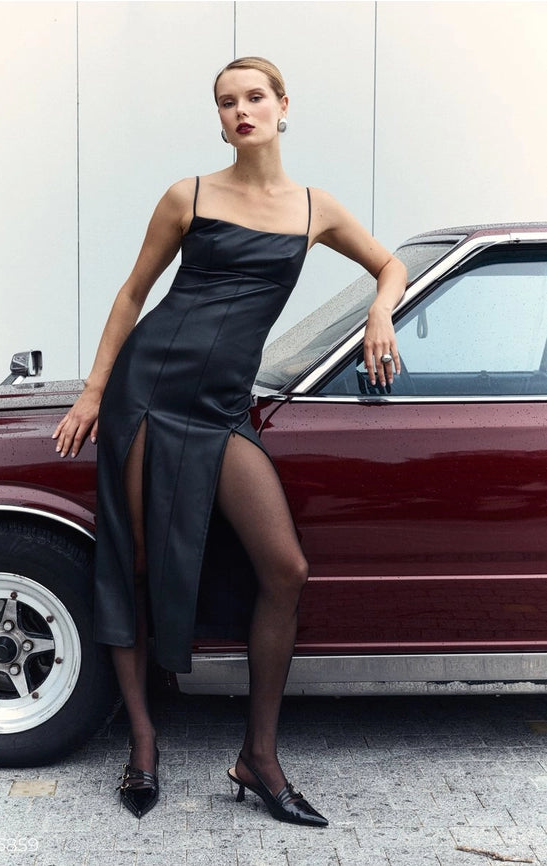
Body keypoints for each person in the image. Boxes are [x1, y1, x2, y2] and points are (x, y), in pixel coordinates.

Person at [52, 56, 406, 825]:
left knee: (285, 568)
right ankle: (144, 742)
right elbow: (133, 294)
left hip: (219, 409)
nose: (240, 110)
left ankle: (258, 757)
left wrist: (380, 310)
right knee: (137, 566)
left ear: (282, 105)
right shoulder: (189, 195)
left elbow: (391, 265)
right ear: (218, 119)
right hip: (148, 392)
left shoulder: (315, 209)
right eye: (226, 102)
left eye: (253, 97)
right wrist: (94, 390)